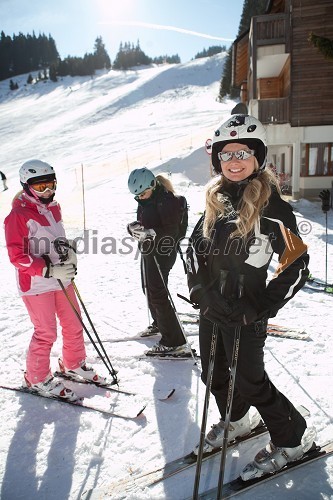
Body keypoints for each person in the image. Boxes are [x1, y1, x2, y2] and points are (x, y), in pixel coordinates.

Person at [186, 114, 316, 479]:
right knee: (214, 374)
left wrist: (259, 305)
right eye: (226, 154)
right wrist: (201, 292)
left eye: (243, 151)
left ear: (257, 156)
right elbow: (194, 252)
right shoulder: (216, 200)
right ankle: (238, 420)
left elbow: (297, 264)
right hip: (213, 309)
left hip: (246, 313)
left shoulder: (272, 206)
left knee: (249, 381)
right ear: (218, 161)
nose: (234, 160)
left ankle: (293, 438)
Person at [4, 159, 106, 401]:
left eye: (51, 185)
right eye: (40, 188)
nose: (47, 191)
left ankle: (72, 362)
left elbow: (56, 238)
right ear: (26, 187)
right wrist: (48, 270)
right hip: (37, 283)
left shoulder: (53, 207)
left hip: (62, 278)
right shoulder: (17, 216)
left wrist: (69, 254)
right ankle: (36, 377)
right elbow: (17, 256)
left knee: (73, 322)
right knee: (45, 332)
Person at [127, 167, 190, 356]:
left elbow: (172, 233)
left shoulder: (168, 201)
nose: (141, 198)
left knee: (158, 293)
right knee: (148, 289)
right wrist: (135, 229)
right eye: (137, 196)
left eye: (143, 194)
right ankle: (160, 324)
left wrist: (150, 233)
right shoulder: (147, 199)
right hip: (149, 251)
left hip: (163, 253)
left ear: (153, 185)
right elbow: (147, 221)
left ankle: (175, 341)